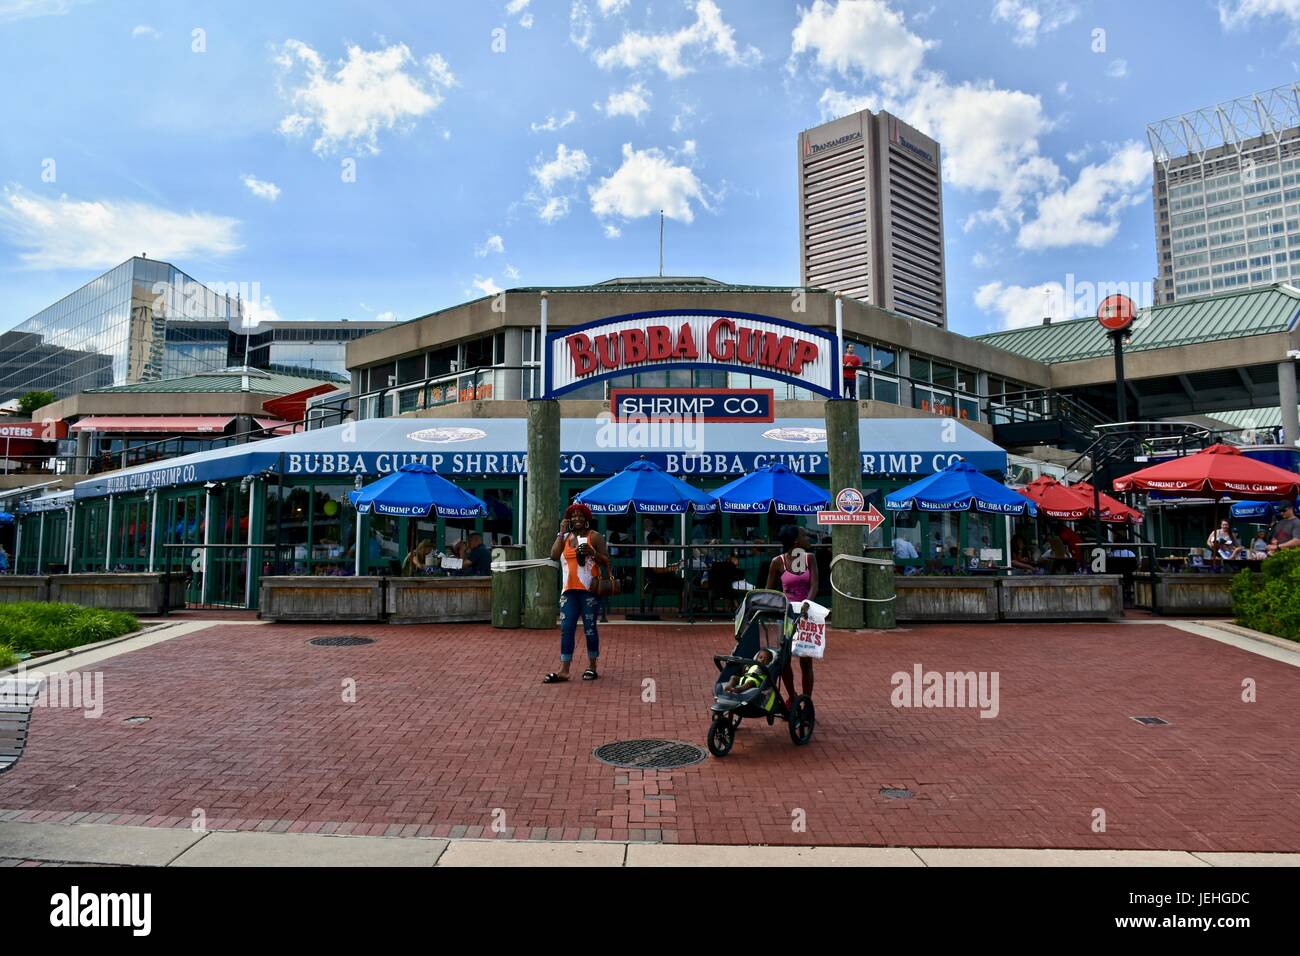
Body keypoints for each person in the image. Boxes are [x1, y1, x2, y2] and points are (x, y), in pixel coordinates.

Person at [544, 502, 611, 684]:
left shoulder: (594, 536)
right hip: (568, 591)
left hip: (588, 590)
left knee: (589, 628)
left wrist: (593, 552)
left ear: (587, 518)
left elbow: (606, 560)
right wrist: (561, 532)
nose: (577, 519)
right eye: (573, 516)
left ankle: (592, 666)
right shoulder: (565, 537)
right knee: (566, 630)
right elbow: (553, 555)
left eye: (581, 516)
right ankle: (564, 670)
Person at [766, 525, 817, 703]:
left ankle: (807, 701)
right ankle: (792, 696)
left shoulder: (809, 558)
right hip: (786, 614)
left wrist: (806, 603)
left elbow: (814, 585)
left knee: (806, 661)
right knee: (784, 660)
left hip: (805, 613)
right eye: (805, 536)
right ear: (796, 541)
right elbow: (769, 591)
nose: (808, 539)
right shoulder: (777, 562)